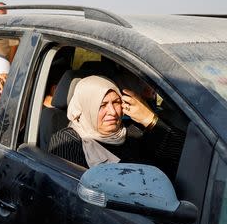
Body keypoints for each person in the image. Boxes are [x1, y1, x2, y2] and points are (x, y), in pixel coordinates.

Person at [47, 75, 184, 174]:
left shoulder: (133, 131)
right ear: (86, 107)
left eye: (116, 102)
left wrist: (149, 119)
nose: (112, 112)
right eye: (102, 105)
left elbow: (183, 159)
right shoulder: (67, 141)